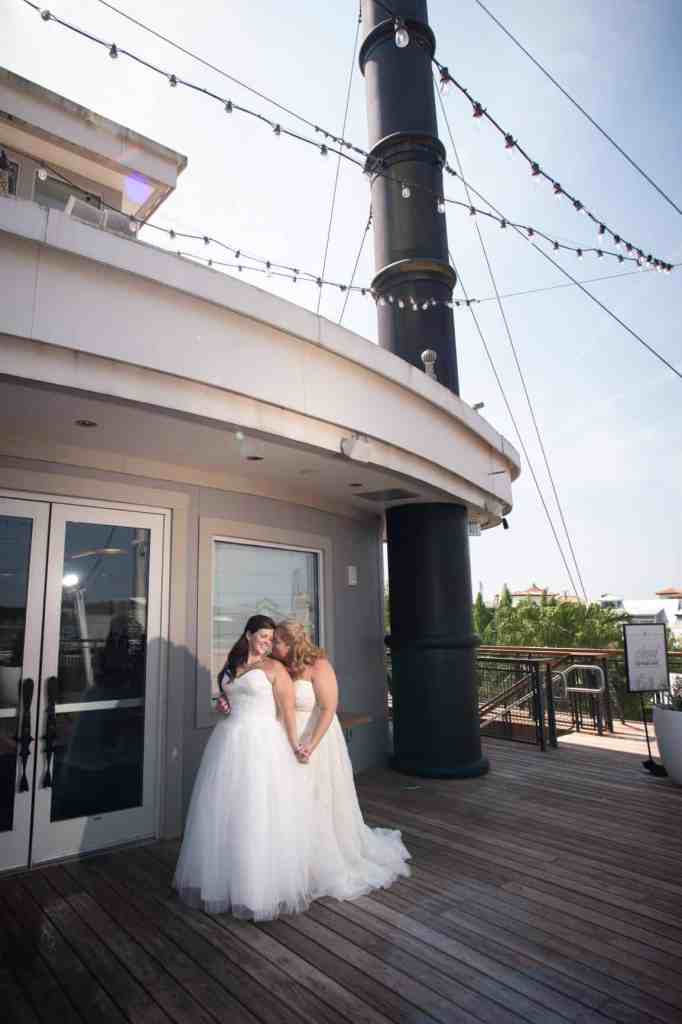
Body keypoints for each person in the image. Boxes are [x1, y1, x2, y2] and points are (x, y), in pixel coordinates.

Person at [173, 615, 310, 919]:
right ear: (248, 635)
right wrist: (221, 706)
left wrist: (295, 744)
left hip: (261, 745)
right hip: (228, 741)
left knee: (256, 812)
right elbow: (224, 701)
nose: (267, 642)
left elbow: (287, 711)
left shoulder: (275, 669)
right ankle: (223, 882)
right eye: (262, 636)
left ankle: (257, 890)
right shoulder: (232, 663)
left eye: (271, 638)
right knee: (225, 812)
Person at [271, 620, 410, 902]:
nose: (274, 646)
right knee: (291, 799)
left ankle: (324, 859)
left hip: (318, 740)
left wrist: (310, 743)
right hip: (287, 739)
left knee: (319, 798)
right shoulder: (280, 667)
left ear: (292, 642)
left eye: (278, 641)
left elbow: (328, 707)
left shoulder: (319, 666)